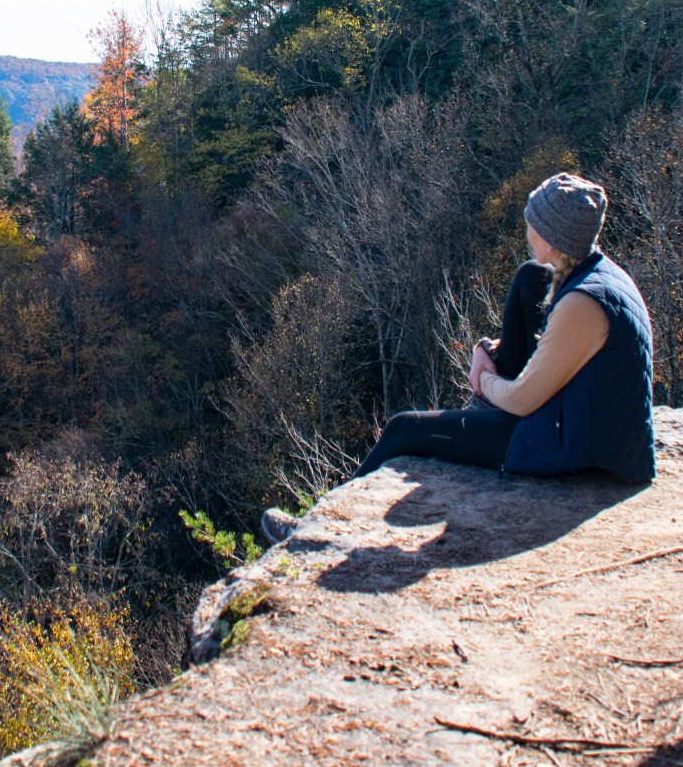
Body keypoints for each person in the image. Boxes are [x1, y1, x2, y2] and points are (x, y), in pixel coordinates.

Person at [262, 172, 655, 545]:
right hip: (577, 416)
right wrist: (492, 351)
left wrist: (483, 377)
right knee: (529, 276)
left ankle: (315, 534)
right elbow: (563, 346)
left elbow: (522, 400)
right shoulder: (596, 275)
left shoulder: (582, 306)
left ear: (553, 237)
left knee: (404, 429)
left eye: (532, 220)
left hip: (569, 441)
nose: (526, 228)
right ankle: (488, 401)